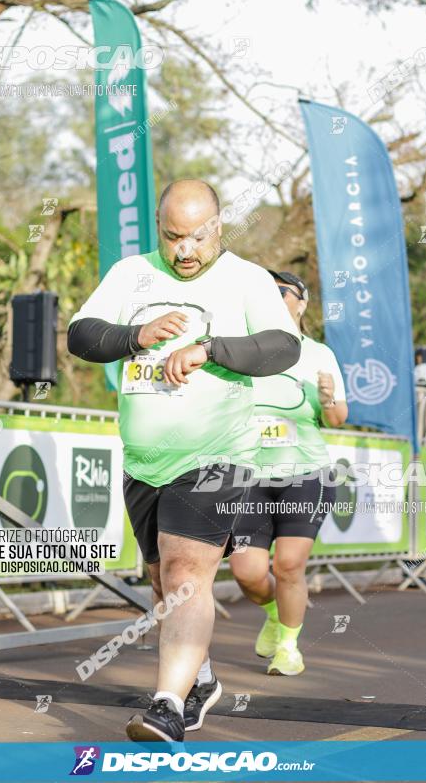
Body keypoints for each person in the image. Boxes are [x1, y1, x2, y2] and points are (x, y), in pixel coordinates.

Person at [67, 180, 301, 741]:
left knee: (184, 574)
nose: (185, 251)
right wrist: (135, 335)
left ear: (218, 226)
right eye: (173, 237)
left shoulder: (245, 278)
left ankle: (167, 705)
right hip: (145, 460)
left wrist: (211, 348)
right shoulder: (131, 274)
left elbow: (283, 344)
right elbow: (80, 334)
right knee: (161, 583)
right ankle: (202, 679)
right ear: (159, 230)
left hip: (219, 455)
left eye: (196, 237)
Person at [230, 270, 347, 676]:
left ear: (302, 302)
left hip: (306, 474)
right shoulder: (244, 352)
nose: (275, 297)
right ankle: (276, 615)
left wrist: (330, 399)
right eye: (268, 291)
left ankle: (289, 648)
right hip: (249, 475)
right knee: (245, 571)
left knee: (288, 566)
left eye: (282, 291)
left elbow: (337, 419)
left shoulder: (319, 354)